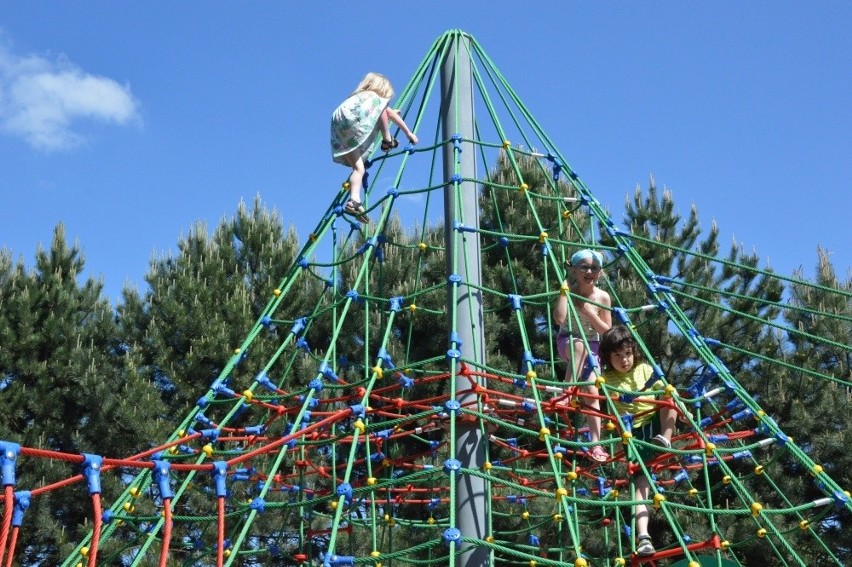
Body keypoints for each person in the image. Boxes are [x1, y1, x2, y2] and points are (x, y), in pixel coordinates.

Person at [598, 325, 678, 557]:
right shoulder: (607, 378)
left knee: (669, 396)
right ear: (608, 357)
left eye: (628, 354)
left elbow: (664, 390)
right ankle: (643, 536)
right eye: (617, 356)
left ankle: (667, 438)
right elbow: (603, 399)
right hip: (633, 433)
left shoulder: (645, 368)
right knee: (641, 483)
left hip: (655, 421)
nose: (624, 360)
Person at [330, 72, 419, 223]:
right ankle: (387, 138)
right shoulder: (376, 99)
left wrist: (390, 111)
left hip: (341, 127)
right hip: (353, 125)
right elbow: (386, 112)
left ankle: (354, 201)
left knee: (359, 169)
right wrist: (409, 133)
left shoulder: (358, 99)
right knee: (383, 109)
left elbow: (386, 113)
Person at [552, 249, 612, 462]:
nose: (589, 271)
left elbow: (607, 330)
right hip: (568, 341)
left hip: (593, 346)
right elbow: (559, 319)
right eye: (584, 267)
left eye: (594, 268)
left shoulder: (602, 297)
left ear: (600, 272)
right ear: (575, 270)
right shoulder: (569, 291)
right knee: (578, 346)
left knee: (591, 390)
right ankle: (566, 392)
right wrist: (563, 293)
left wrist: (588, 311)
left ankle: (595, 445)